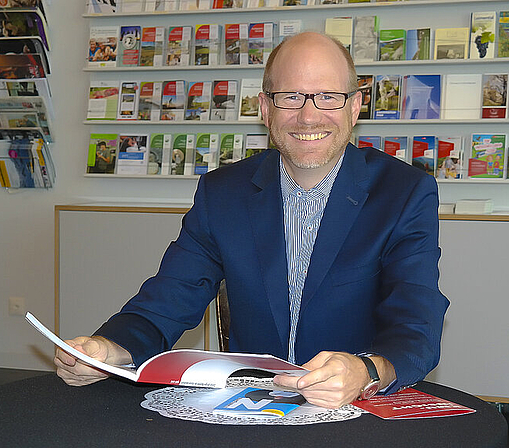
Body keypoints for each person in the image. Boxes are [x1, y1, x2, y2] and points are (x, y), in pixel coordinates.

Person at [55, 31, 449, 409]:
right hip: (250, 409)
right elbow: (167, 300)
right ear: (265, 108)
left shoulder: (404, 192)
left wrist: (366, 370)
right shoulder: (222, 193)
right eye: (290, 97)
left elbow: (417, 326)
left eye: (328, 97)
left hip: (359, 410)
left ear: (354, 106)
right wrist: (108, 350)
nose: (308, 116)